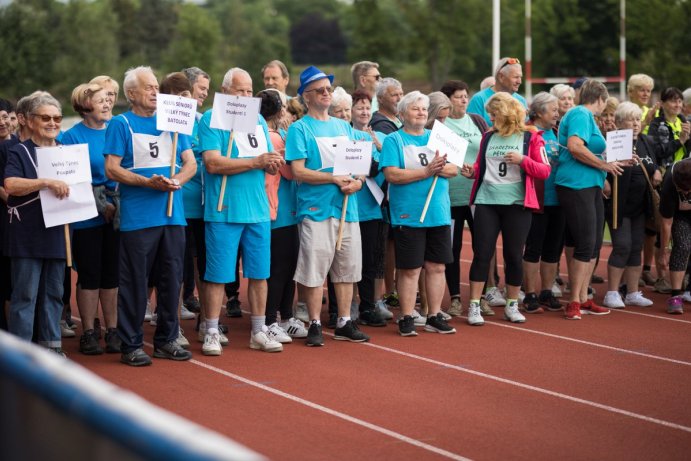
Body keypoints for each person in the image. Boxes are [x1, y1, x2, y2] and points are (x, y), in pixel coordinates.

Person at [104, 66, 196, 366]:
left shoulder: (172, 122)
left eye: (157, 87)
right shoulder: (121, 124)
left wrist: (177, 181)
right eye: (149, 88)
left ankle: (167, 339)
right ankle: (130, 343)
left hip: (173, 216)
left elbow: (190, 163)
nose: (156, 92)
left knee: (172, 279)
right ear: (132, 94)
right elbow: (112, 168)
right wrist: (147, 182)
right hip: (139, 218)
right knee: (135, 282)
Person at [198, 67, 285, 355]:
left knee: (260, 274)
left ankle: (259, 330)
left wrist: (270, 163)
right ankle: (211, 328)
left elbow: (262, 162)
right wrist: (255, 162)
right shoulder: (212, 118)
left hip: (257, 209)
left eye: (249, 91)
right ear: (225, 92)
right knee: (218, 275)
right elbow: (212, 163)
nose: (246, 95)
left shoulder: (258, 120)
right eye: (240, 90)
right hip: (224, 210)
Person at [285, 65, 370, 346]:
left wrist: (357, 182)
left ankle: (344, 319)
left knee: (346, 267)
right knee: (313, 269)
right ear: (306, 96)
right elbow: (297, 171)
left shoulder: (343, 127)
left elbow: (358, 167)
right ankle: (315, 322)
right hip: (315, 209)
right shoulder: (300, 128)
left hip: (347, 207)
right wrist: (332, 178)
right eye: (319, 90)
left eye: (328, 89)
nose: (326, 93)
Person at [460, 92, 550, 325]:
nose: (490, 118)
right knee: (482, 254)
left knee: (513, 255)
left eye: (494, 113)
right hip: (487, 202)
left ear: (508, 113)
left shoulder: (531, 138)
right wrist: (473, 172)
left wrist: (523, 160)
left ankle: (512, 305)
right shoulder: (488, 137)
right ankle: (475, 306)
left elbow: (544, 171)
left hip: (516, 205)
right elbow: (482, 166)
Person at [380, 91, 458, 336]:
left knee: (437, 267)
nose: (422, 113)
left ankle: (434, 314)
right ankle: (406, 316)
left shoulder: (438, 137)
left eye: (424, 109)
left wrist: (438, 169)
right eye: (416, 109)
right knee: (410, 268)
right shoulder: (395, 141)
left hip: (438, 212)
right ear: (403, 113)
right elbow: (391, 174)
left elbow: (453, 168)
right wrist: (425, 172)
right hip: (408, 214)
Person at [4, 92, 69, 356]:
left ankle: (52, 349)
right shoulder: (19, 151)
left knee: (54, 294)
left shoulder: (68, 152)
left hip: (59, 233)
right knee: (25, 296)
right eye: (45, 117)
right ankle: (21, 354)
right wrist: (46, 182)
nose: (52, 122)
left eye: (57, 118)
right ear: (30, 121)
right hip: (28, 235)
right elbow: (11, 185)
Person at [554, 79, 625, 320]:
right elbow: (575, 146)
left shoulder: (586, 117)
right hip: (576, 185)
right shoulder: (581, 114)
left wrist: (609, 168)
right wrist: (604, 164)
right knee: (585, 243)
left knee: (593, 243)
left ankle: (583, 297)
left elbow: (589, 150)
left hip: (590, 185)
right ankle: (574, 300)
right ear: (601, 99)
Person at [61, 83, 121, 355]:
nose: (107, 104)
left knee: (112, 276)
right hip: (86, 216)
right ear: (85, 105)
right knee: (90, 276)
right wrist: (101, 204)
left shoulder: (115, 131)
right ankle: (88, 331)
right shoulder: (71, 137)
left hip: (118, 214)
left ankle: (112, 330)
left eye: (108, 99)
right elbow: (71, 179)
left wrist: (114, 202)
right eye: (100, 101)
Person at [257, 89, 308, 340]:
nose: (288, 114)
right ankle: (271, 319)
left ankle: (285, 316)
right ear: (279, 112)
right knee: (280, 267)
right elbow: (290, 172)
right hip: (277, 210)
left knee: (287, 266)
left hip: (285, 210)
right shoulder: (277, 137)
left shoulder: (281, 135)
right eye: (285, 109)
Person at [439, 80, 490, 318]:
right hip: (450, 195)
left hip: (476, 195)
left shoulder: (476, 121)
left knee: (483, 245)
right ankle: (456, 298)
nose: (463, 100)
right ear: (447, 99)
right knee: (453, 248)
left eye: (465, 96)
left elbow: (488, 150)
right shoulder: (440, 124)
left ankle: (481, 297)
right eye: (458, 96)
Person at [601, 102, 657, 308]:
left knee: (636, 247)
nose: (635, 123)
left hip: (640, 205)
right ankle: (612, 292)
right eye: (630, 119)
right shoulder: (614, 141)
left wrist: (656, 171)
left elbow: (652, 163)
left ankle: (633, 291)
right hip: (618, 204)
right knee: (622, 246)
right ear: (619, 122)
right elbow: (605, 166)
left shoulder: (645, 141)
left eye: (637, 119)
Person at [521, 92, 564, 314]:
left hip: (558, 199)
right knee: (533, 248)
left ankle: (546, 291)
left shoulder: (556, 132)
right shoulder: (526, 133)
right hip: (535, 200)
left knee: (552, 249)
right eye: (553, 109)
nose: (557, 113)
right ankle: (529, 293)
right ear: (538, 112)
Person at [658, 158, 691, 314]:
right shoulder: (669, 185)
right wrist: (664, 252)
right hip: (680, 216)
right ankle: (675, 296)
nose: (685, 193)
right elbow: (666, 224)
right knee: (683, 246)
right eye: (682, 190)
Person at [467, 57, 527, 125]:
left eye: (520, 77)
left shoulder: (521, 101)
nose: (519, 81)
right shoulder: (479, 99)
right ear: (501, 77)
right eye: (516, 77)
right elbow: (471, 131)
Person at [648, 87, 691, 170]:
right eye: (673, 101)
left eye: (680, 101)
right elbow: (656, 152)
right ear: (662, 104)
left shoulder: (684, 122)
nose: (677, 105)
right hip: (666, 172)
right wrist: (680, 141)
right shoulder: (655, 124)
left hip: (685, 169)